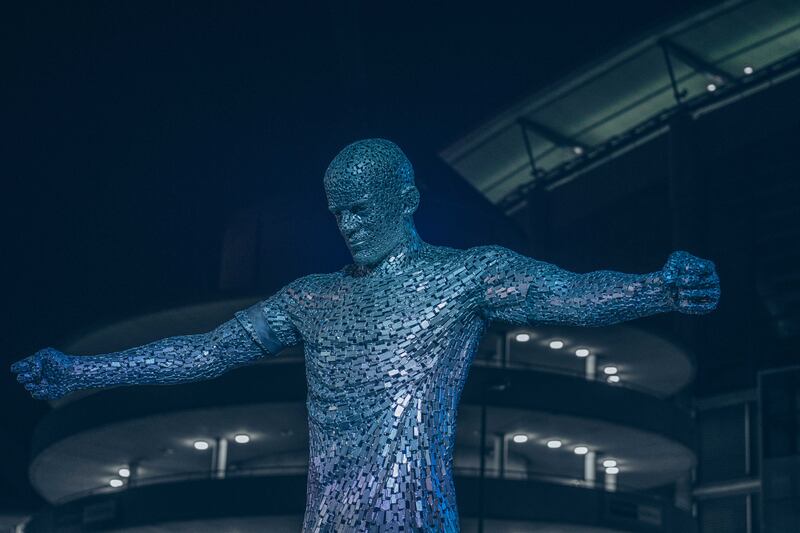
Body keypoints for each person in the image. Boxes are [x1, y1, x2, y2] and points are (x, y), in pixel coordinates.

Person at [12, 138, 719, 531]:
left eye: (361, 209)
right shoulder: (312, 297)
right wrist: (79, 372)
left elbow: (565, 293)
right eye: (337, 212)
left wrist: (655, 286)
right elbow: (204, 351)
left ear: (406, 201)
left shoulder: (465, 277)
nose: (347, 223)